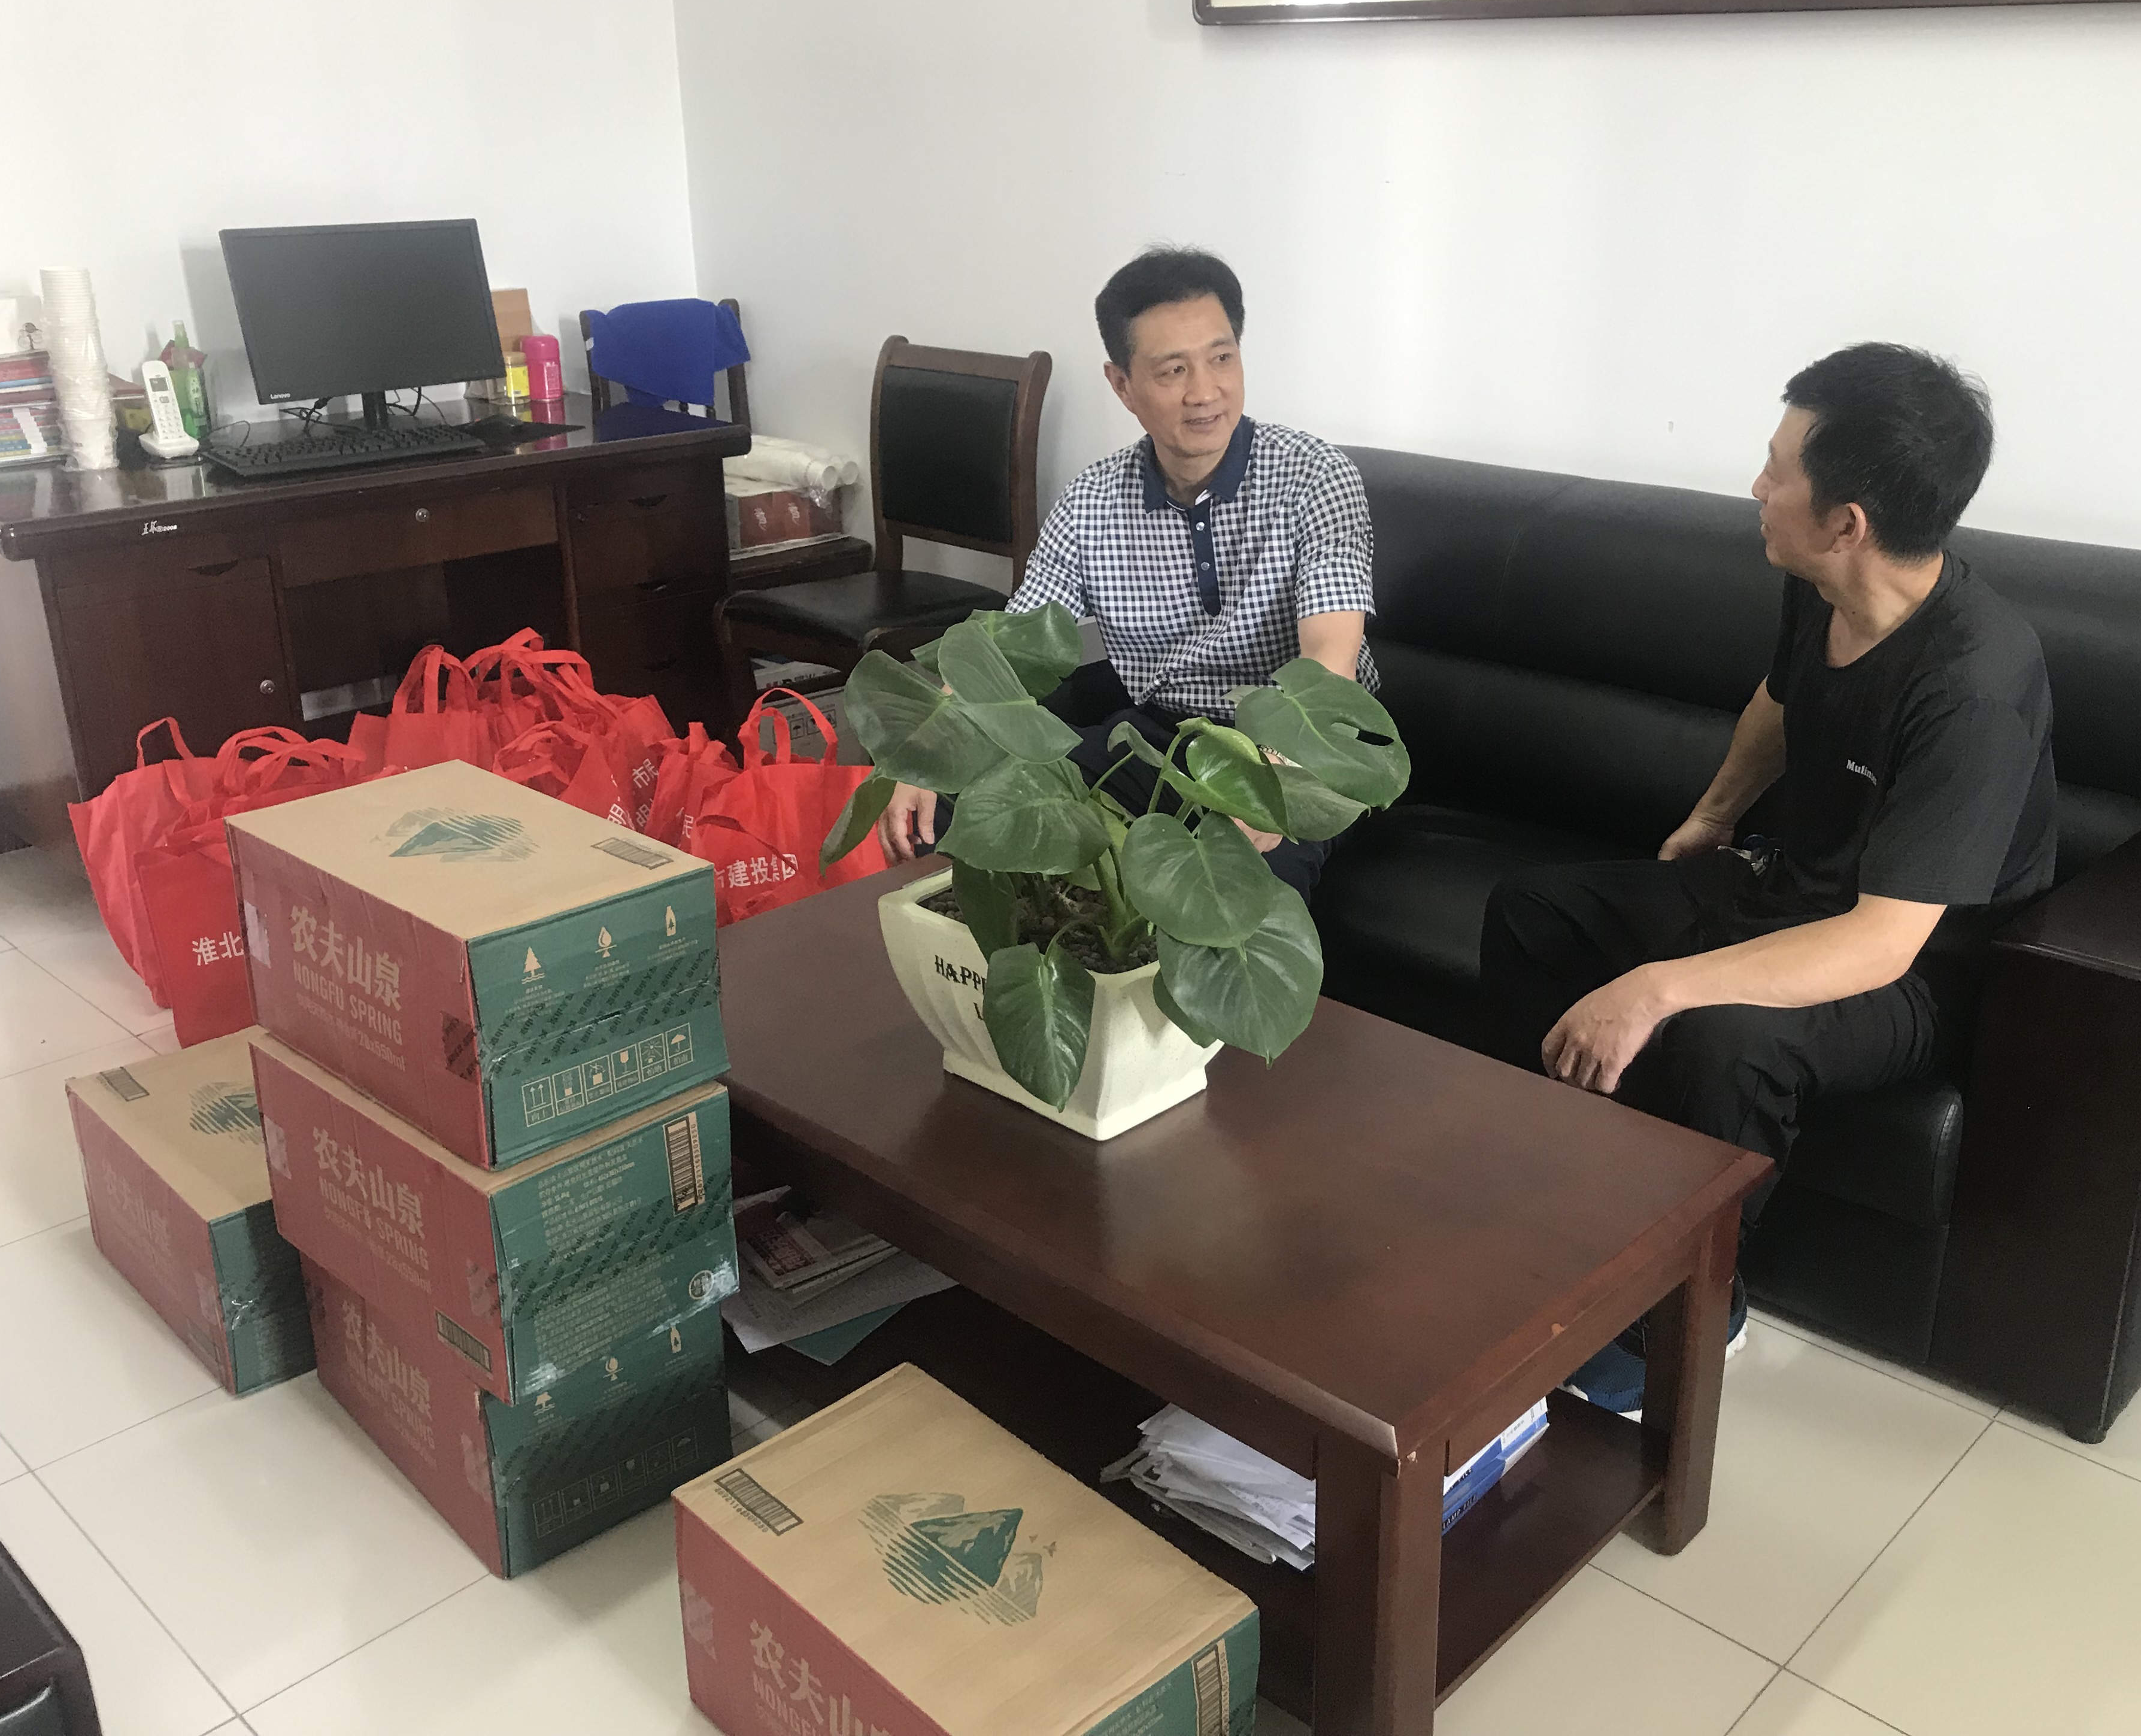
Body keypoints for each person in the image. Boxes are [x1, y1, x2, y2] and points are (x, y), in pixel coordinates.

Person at [1478, 342, 2057, 1413]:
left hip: (1917, 969)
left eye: (1778, 469)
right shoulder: (1819, 584)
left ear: (1848, 522)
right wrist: (1714, 814)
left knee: (1727, 1039)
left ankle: (1696, 1307)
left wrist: (1654, 987)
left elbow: (1883, 942)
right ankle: (1572, 1211)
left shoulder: (1972, 686)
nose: (1755, 485)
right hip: (1788, 887)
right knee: (1535, 912)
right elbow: (1780, 704)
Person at [877, 245, 1378, 899]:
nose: (1205, 392)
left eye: (1222, 358)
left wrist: (1275, 775)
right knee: (953, 808)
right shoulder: (1093, 500)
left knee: (1245, 892)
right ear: (1122, 385)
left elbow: (1330, 659)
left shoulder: (1316, 477)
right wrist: (932, 750)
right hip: (1162, 737)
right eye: (1173, 370)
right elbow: (1011, 644)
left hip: (1302, 745)